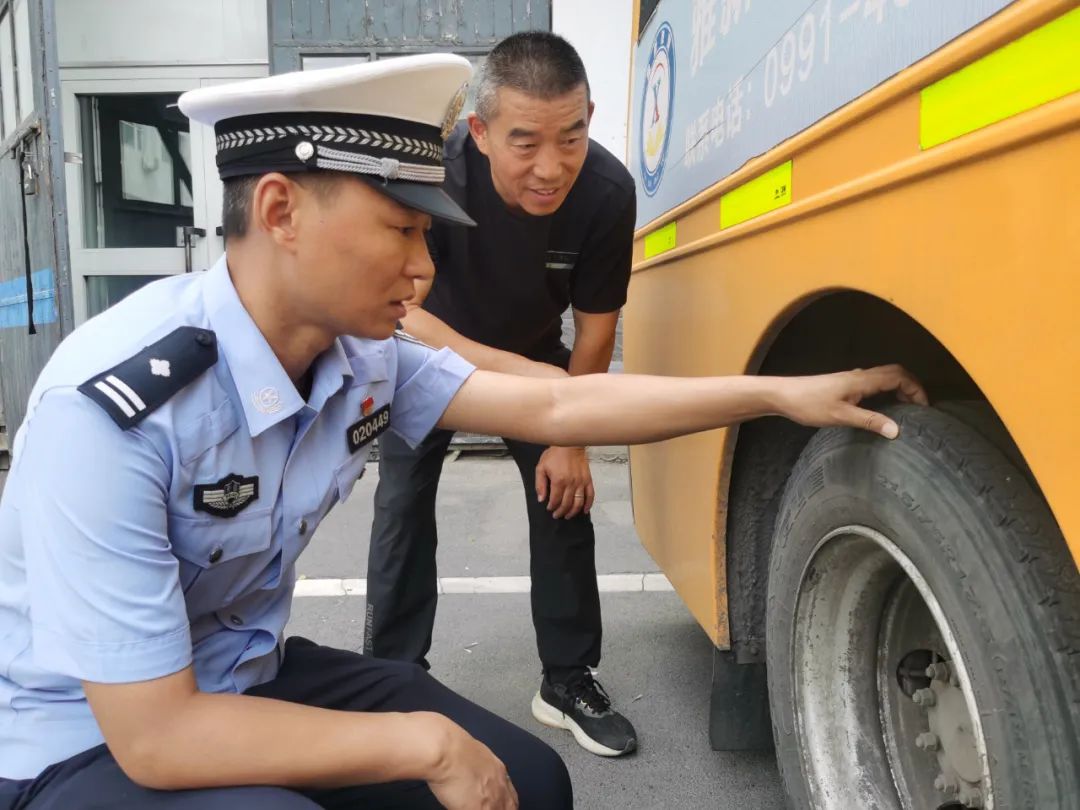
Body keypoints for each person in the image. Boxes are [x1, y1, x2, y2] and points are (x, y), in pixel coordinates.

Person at [0, 54, 927, 810]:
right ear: (280, 212)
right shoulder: (114, 409)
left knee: (531, 783)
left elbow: (558, 405)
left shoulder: (358, 356)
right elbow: (157, 738)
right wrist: (426, 744)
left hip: (244, 676)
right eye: (401, 230)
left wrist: (776, 394)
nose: (423, 269)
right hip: (82, 736)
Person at [366, 31, 643, 758]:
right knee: (401, 503)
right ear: (480, 132)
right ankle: (394, 679)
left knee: (564, 496)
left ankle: (568, 680)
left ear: (590, 118)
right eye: (525, 143)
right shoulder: (430, 171)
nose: (551, 168)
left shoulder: (606, 193)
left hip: (535, 355)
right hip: (425, 355)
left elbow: (596, 329)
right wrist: (537, 386)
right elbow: (404, 312)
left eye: (571, 137)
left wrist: (569, 432)